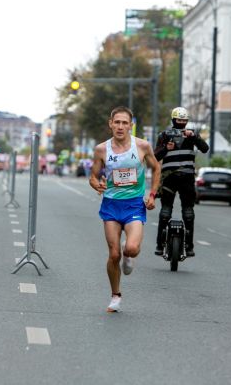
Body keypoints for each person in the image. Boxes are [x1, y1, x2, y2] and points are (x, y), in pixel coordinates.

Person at [89, 106, 160, 313]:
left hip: (134, 204)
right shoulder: (102, 149)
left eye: (124, 123)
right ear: (110, 124)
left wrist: (153, 194)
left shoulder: (142, 146)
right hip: (111, 205)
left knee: (130, 249)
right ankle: (115, 296)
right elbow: (93, 176)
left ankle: (129, 255)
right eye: (117, 122)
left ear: (131, 126)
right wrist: (96, 185)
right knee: (113, 254)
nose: (120, 126)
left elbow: (157, 168)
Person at [153, 107, 209, 257]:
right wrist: (166, 148)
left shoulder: (191, 135)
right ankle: (159, 244)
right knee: (165, 212)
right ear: (173, 120)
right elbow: (155, 157)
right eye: (179, 120)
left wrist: (195, 136)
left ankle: (189, 246)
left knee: (188, 213)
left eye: (184, 121)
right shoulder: (164, 135)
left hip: (187, 178)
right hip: (169, 178)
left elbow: (205, 148)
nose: (182, 123)